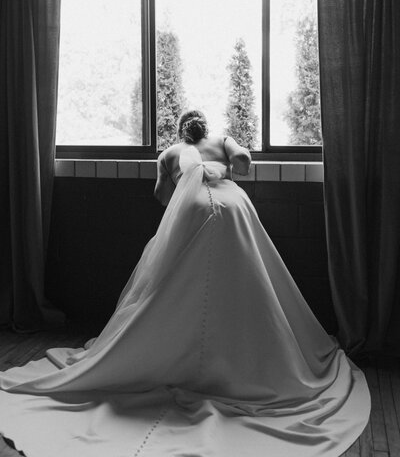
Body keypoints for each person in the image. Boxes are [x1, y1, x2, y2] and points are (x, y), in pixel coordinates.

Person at [0, 110, 370, 457]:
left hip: (191, 217)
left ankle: (171, 355)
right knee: (242, 291)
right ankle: (241, 361)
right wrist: (225, 165)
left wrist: (182, 177)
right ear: (205, 129)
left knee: (174, 292)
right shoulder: (222, 140)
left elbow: (162, 198)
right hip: (232, 215)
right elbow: (243, 163)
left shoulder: (170, 152)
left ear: (181, 131)